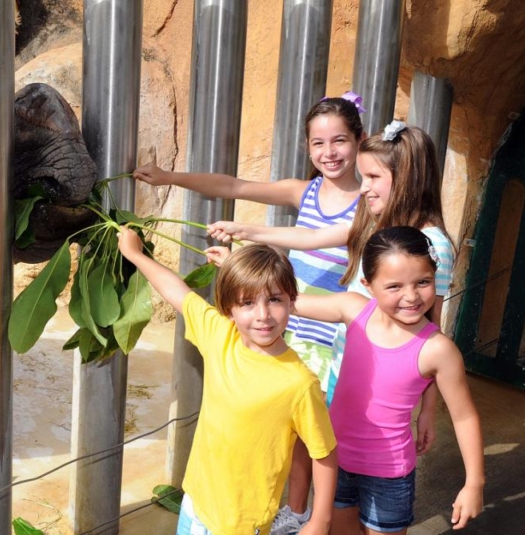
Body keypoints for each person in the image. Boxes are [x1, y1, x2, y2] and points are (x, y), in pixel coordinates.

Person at [137, 95, 365, 534]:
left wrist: (249, 234)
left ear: (360, 140)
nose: (329, 152)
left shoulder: (369, 204)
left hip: (328, 338)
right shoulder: (307, 190)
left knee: (311, 436)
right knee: (276, 430)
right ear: (307, 146)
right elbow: (234, 187)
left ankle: (304, 515)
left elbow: (313, 240)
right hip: (284, 321)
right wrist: (169, 177)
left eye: (340, 140)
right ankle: (289, 511)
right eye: (318, 143)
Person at [207, 122, 450, 447]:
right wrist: (244, 232)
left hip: (381, 382)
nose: (364, 188)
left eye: (374, 177)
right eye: (364, 178)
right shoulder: (379, 224)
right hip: (344, 362)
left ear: (407, 177)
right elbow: (311, 237)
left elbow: (433, 331)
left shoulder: (433, 245)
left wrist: (427, 411)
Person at [117, 231, 337, 535]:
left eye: (275, 300)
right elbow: (177, 291)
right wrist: (136, 255)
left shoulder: (299, 383)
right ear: (228, 309)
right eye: (248, 303)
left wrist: (320, 520)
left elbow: (323, 452)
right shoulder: (219, 335)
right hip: (194, 503)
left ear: (292, 301)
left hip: (241, 524)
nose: (263, 315)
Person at [286, 226, 484, 534]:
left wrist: (474, 483)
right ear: (369, 285)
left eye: (423, 282)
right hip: (334, 461)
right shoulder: (352, 309)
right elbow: (285, 302)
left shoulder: (438, 350)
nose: (411, 296)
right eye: (394, 286)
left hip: (389, 475)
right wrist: (236, 269)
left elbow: (464, 417)